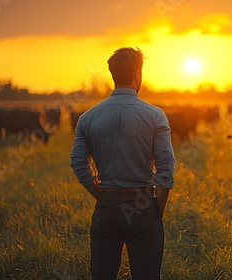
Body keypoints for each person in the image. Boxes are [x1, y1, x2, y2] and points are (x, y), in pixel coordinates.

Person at [70, 47, 176, 280]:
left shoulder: (88, 117)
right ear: (138, 75)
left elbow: (77, 161)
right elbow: (166, 168)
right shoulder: (155, 115)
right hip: (143, 202)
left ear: (113, 74)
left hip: (106, 205)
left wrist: (98, 191)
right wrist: (157, 209)